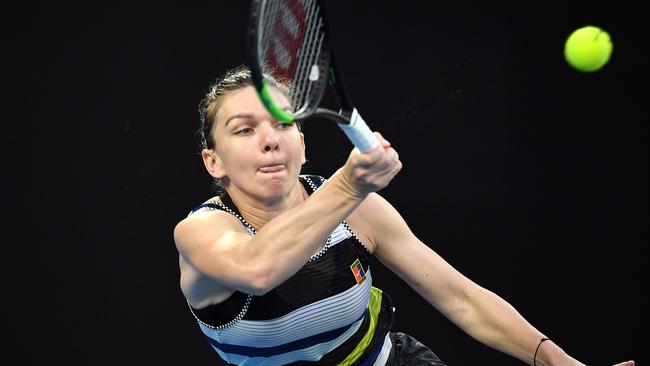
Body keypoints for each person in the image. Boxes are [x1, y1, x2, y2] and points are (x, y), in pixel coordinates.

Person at [173, 65, 634, 366]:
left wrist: (560, 363)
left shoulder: (358, 209)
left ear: (303, 143)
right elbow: (259, 268)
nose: (270, 139)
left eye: (283, 123)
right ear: (213, 162)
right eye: (245, 129)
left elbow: (461, 298)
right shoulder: (201, 233)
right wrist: (349, 184)